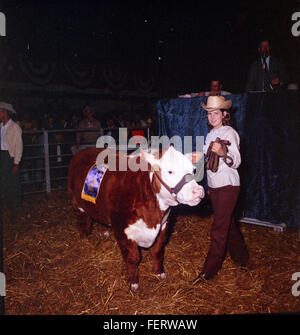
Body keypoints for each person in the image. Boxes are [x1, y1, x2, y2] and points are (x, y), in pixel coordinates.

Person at [193, 96, 249, 281]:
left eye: (215, 113)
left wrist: (223, 152)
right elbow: (209, 163)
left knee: (218, 228)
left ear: (224, 114)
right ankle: (241, 258)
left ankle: (209, 270)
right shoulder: (210, 135)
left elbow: (237, 160)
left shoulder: (229, 132)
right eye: (209, 114)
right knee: (228, 225)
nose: (211, 117)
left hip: (228, 186)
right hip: (217, 187)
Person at [0, 102, 23, 210]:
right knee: (4, 180)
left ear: (5, 113)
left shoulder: (14, 127)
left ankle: (16, 205)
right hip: (2, 155)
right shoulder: (1, 126)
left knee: (13, 181)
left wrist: (16, 163)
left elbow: (18, 146)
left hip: (10, 156)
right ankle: (9, 203)